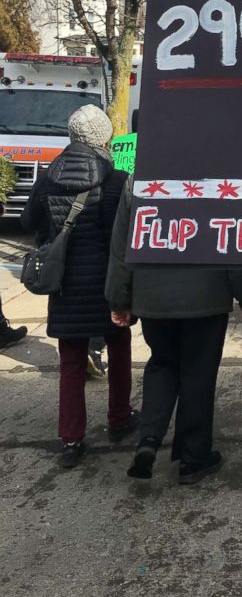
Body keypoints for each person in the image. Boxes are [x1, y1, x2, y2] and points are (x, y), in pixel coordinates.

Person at [106, 177, 242, 484]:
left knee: (162, 364)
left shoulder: (140, 178)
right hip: (206, 297)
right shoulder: (224, 178)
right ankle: (194, 458)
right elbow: (237, 239)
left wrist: (119, 297)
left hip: (153, 296)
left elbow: (121, 243)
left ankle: (148, 440)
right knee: (198, 374)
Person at [20, 105, 135, 468]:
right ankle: (119, 419)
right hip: (106, 284)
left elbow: (28, 222)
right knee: (119, 348)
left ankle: (71, 438)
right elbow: (123, 238)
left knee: (70, 361)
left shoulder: (49, 178)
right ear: (104, 138)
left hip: (65, 285)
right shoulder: (115, 181)